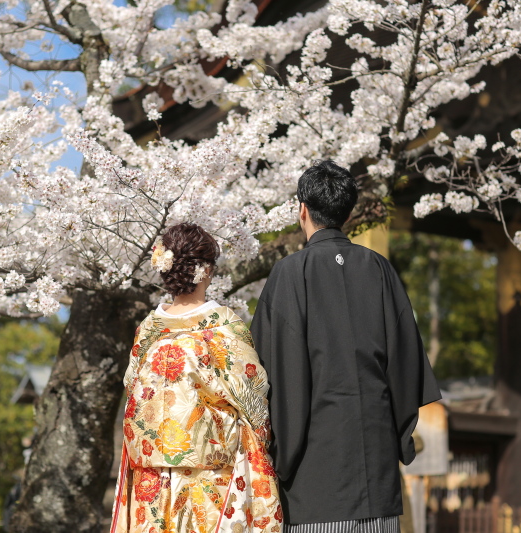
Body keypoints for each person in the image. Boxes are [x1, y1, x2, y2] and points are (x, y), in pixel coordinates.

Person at [250, 161, 442, 533]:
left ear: (302, 210)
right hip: (378, 478)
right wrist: (397, 438)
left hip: (313, 479)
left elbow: (270, 375)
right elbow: (406, 365)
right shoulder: (380, 269)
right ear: (349, 213)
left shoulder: (290, 273)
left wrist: (278, 458)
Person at [111, 223, 283, 533]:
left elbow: (131, 388)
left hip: (151, 476)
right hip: (211, 477)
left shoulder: (148, 330)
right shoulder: (223, 327)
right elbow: (253, 397)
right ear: (206, 270)